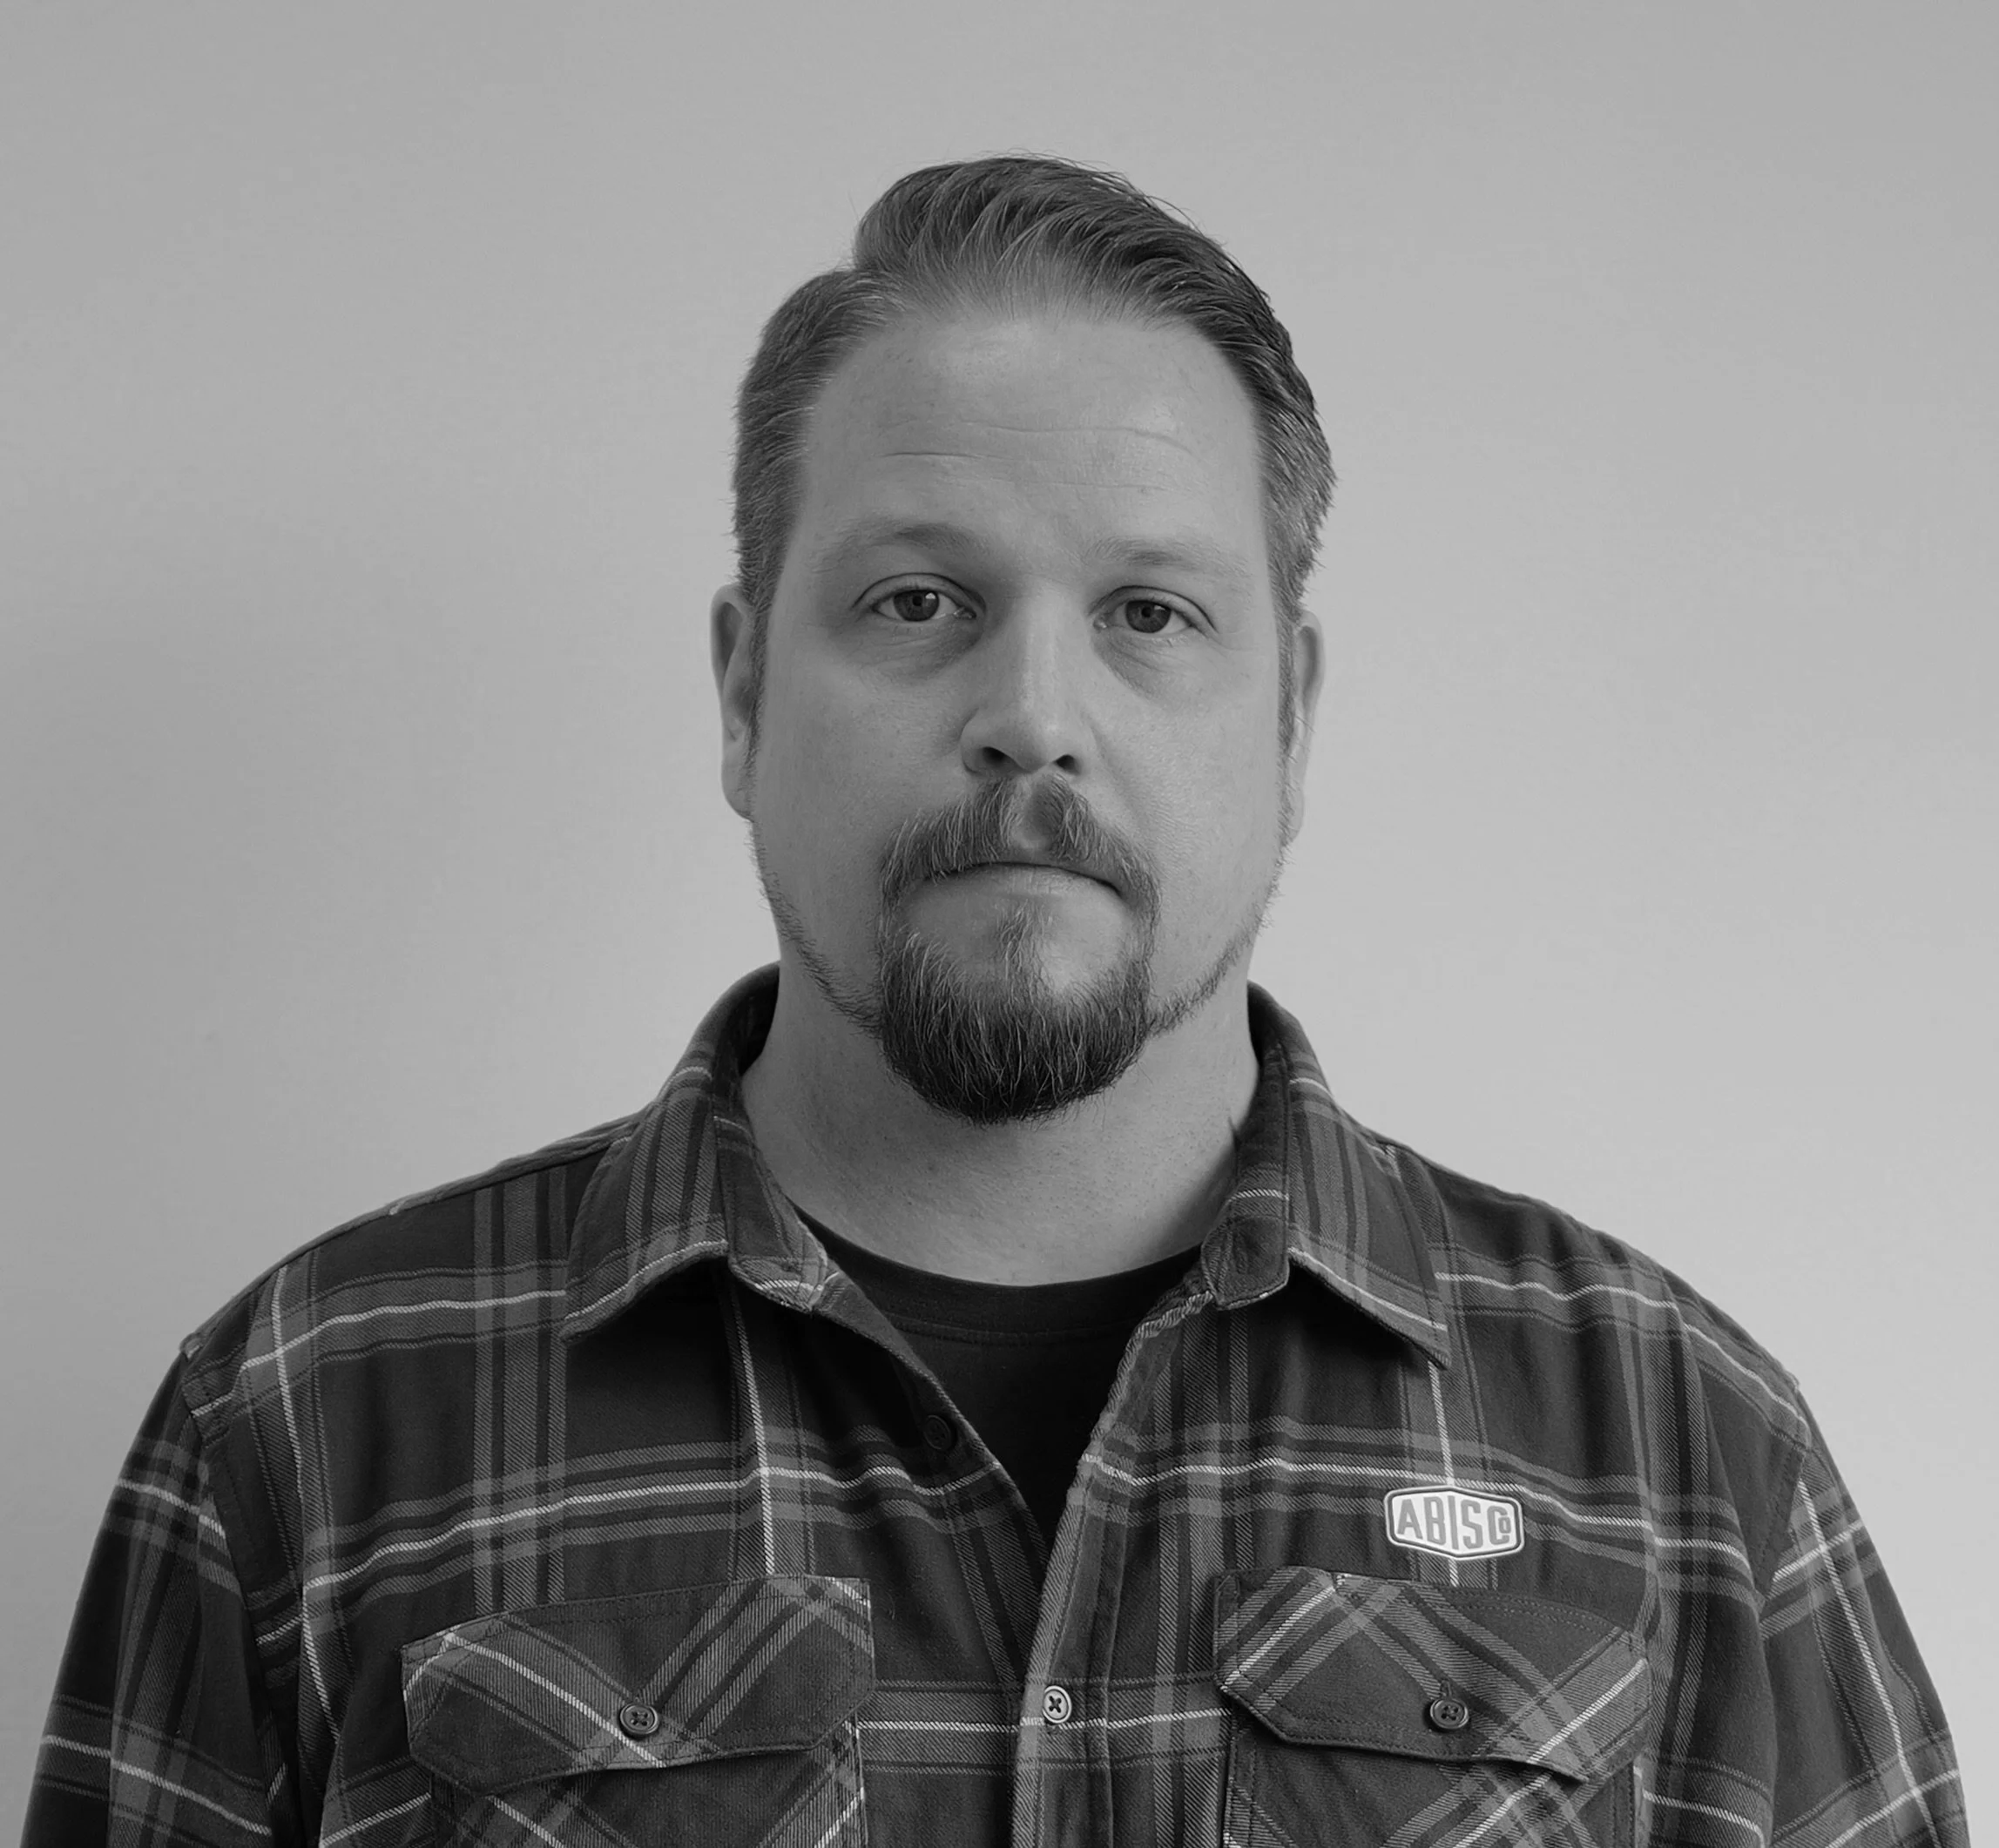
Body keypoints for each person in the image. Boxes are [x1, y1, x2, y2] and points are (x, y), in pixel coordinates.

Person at [25, 154, 1964, 1848]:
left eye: (1148, 613)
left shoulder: (1680, 1450)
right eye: (916, 600)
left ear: (1288, 715)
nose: (1033, 714)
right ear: (737, 692)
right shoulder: (310, 1412)